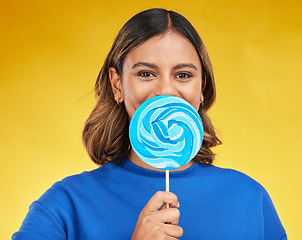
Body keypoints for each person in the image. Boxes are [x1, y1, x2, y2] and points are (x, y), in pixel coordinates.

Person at [12, 8, 287, 240]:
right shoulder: (64, 206)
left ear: (201, 88)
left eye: (182, 74)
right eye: (146, 73)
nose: (166, 90)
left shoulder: (249, 199)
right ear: (117, 84)